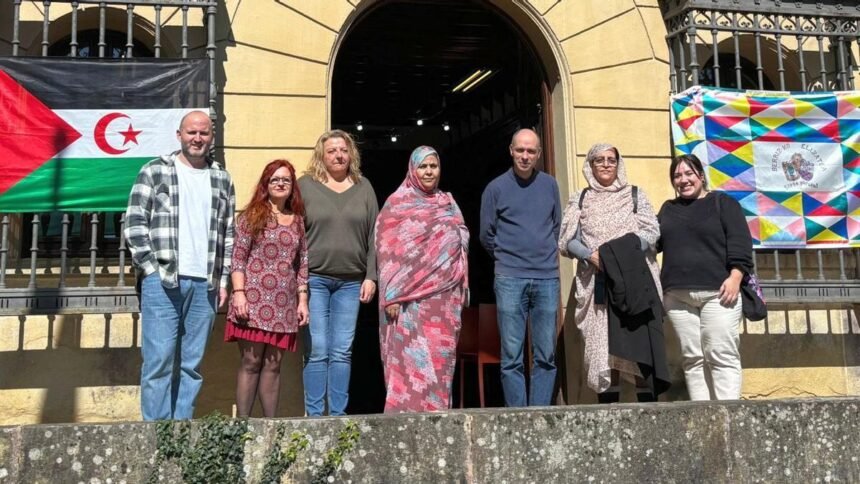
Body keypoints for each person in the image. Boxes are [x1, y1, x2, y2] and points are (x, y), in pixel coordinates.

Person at [124, 110, 235, 420]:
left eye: (203, 133)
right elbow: (134, 223)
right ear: (179, 135)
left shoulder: (222, 178)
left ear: (211, 137)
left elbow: (229, 233)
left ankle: (181, 432)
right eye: (191, 133)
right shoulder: (155, 171)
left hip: (205, 285)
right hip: (163, 280)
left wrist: (223, 280)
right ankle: (157, 438)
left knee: (192, 365)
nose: (197, 138)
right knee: (158, 362)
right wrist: (150, 270)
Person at [558, 143, 670, 403]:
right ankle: (610, 417)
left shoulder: (635, 195)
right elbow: (567, 240)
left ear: (619, 164)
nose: (606, 164)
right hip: (598, 282)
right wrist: (592, 256)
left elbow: (651, 232)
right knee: (605, 351)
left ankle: (648, 414)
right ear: (590, 165)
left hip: (635, 282)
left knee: (639, 346)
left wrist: (620, 255)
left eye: (611, 159)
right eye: (599, 160)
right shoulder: (580, 198)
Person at [375, 146, 469, 413]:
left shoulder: (447, 202)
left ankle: (437, 416)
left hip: (444, 299)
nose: (429, 172)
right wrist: (391, 293)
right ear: (412, 169)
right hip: (408, 301)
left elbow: (462, 234)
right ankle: (404, 419)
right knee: (409, 363)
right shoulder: (397, 203)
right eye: (423, 167)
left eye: (433, 166)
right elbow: (387, 250)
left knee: (440, 361)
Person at [658, 154, 753, 400]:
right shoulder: (668, 209)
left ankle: (727, 416)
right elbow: (652, 242)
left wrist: (735, 277)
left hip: (719, 294)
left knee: (721, 355)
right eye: (677, 176)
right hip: (677, 298)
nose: (683, 180)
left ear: (701, 175)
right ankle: (703, 417)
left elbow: (740, 244)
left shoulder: (724, 203)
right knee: (692, 358)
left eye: (689, 174)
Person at [298, 129, 379, 416]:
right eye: (332, 150)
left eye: (343, 150)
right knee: (317, 350)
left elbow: (375, 236)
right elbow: (295, 235)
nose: (338, 155)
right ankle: (315, 415)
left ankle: (338, 416)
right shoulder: (305, 186)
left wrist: (371, 276)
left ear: (351, 154)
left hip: (351, 282)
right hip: (315, 280)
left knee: (342, 351)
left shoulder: (364, 186)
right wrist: (300, 287)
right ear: (322, 154)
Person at [479, 128, 561, 407]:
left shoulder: (550, 185)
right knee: (511, 355)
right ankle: (518, 416)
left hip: (546, 277)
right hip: (509, 277)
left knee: (545, 355)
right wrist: (508, 258)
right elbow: (486, 235)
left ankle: (538, 414)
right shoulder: (495, 188)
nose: (525, 156)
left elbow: (557, 227)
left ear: (538, 154)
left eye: (531, 151)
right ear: (511, 151)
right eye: (520, 150)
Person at [225, 159, 309, 417]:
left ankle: (270, 427)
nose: (281, 183)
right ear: (266, 184)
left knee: (273, 365)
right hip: (253, 300)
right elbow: (237, 258)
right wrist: (239, 295)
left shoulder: (297, 221)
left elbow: (302, 262)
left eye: (286, 179)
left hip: (283, 305)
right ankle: (243, 425)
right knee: (251, 362)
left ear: (292, 186)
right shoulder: (252, 215)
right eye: (275, 179)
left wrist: (302, 300)